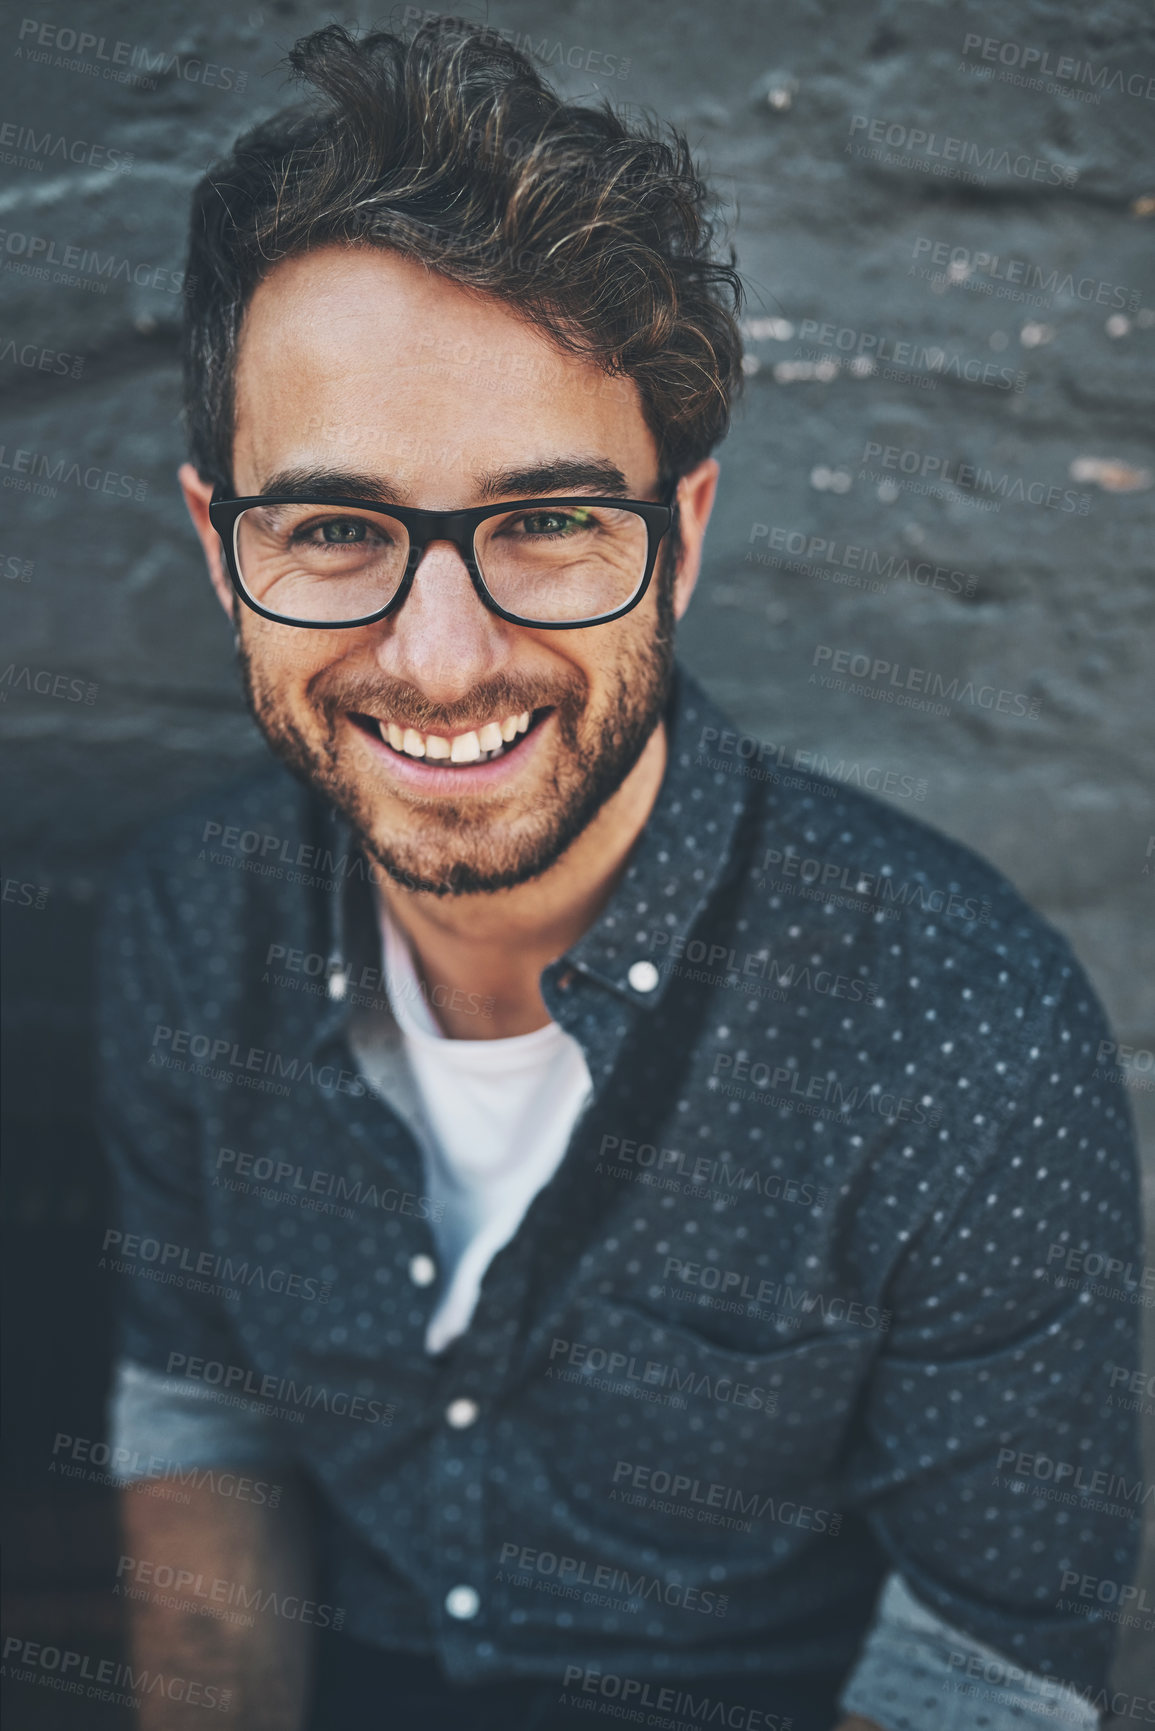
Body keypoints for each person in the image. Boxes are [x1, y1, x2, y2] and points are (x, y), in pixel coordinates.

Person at [98, 20, 1143, 1731]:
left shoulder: (970, 1040)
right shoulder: (181, 923)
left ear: (685, 535)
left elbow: (981, 1679)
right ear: (227, 551)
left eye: (548, 522)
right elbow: (197, 1415)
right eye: (338, 531)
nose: (439, 660)